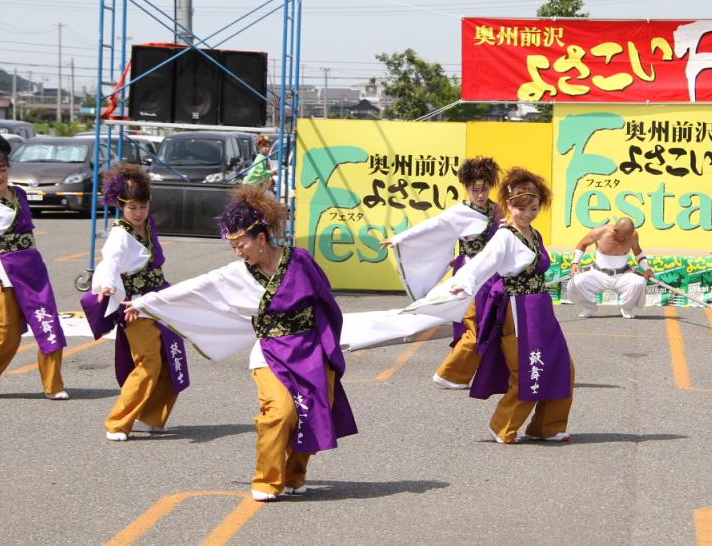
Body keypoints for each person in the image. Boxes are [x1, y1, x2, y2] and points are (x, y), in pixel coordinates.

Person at [125, 185, 356, 501]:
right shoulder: (238, 273)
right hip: (271, 352)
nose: (238, 251)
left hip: (310, 350)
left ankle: (294, 474)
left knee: (314, 413)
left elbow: (327, 305)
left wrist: (328, 350)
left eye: (241, 243)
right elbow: (197, 287)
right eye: (232, 245)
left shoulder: (300, 261)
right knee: (281, 413)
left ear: (261, 238)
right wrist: (148, 302)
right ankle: (266, 480)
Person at [448, 167, 573, 444]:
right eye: (521, 208)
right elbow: (482, 263)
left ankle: (548, 426)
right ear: (509, 204)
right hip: (517, 310)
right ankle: (503, 425)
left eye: (534, 208)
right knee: (528, 369)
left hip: (540, 308)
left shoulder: (534, 234)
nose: (527, 214)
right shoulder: (505, 236)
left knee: (562, 365)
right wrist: (463, 283)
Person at [0, 128, 68, 400]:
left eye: (2, 169)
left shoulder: (20, 193)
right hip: (4, 269)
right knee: (6, 333)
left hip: (32, 266)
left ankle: (53, 385)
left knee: (48, 323)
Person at [80, 164, 189, 441]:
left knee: (168, 359)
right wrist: (107, 284)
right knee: (148, 362)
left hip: (158, 299)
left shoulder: (147, 226)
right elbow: (110, 262)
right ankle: (117, 422)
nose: (138, 213)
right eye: (131, 208)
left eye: (142, 206)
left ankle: (150, 418)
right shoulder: (120, 234)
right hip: (134, 306)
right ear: (120, 206)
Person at [384, 156, 502, 389]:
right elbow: (432, 226)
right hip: (469, 273)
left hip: (492, 274)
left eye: (484, 189)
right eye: (475, 189)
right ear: (467, 188)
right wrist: (399, 238)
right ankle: (450, 373)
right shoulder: (459, 212)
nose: (480, 194)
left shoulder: (496, 209)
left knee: (494, 322)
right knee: (474, 323)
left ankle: (485, 373)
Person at [566, 217, 654, 319]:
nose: (626, 239)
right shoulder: (599, 232)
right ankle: (589, 306)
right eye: (623, 236)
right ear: (615, 230)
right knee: (577, 281)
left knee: (639, 282)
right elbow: (582, 244)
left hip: (622, 275)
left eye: (628, 236)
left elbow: (638, 253)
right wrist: (575, 262)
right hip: (598, 274)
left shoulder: (633, 235)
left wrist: (647, 268)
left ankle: (626, 307)